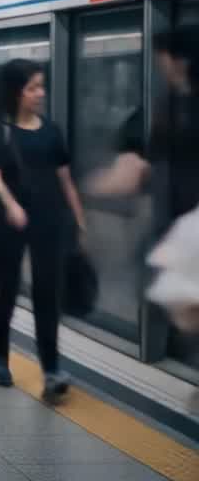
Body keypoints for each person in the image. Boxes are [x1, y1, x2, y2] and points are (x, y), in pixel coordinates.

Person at [0, 58, 87, 402]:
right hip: (9, 222)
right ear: (15, 92)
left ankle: (51, 369)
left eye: (41, 86)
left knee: (46, 295)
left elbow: (65, 178)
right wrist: (11, 204)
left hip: (48, 220)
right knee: (8, 290)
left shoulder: (51, 131)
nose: (40, 93)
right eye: (33, 88)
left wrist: (79, 218)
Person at [92, 26, 199, 365]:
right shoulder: (170, 103)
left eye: (162, 57)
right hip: (179, 225)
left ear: (175, 59)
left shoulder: (183, 105)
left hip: (189, 226)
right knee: (170, 290)